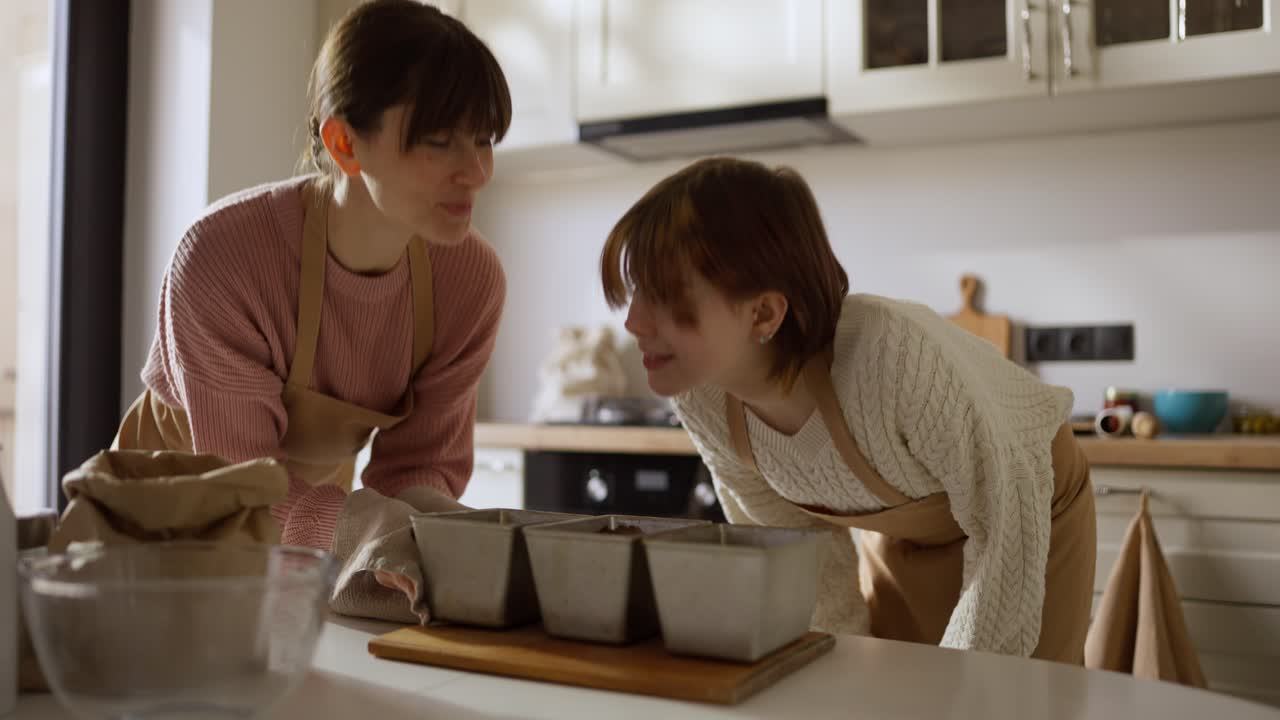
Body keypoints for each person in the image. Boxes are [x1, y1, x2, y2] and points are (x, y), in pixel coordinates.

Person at [599, 156, 1097, 663]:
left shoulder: (893, 358)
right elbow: (799, 554)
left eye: (664, 296)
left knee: (1016, 703)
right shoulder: (703, 396)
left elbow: (1001, 524)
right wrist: (836, 667)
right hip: (904, 530)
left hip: (1026, 499)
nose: (634, 322)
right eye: (637, 291)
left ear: (764, 312)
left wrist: (971, 688)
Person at [114, 0, 510, 551]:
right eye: (440, 141)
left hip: (307, 535)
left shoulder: (470, 281)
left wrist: (456, 538)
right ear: (345, 143)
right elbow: (243, 484)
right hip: (158, 524)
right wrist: (371, 531)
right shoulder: (222, 259)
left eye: (485, 139)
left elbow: (419, 469)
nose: (477, 172)